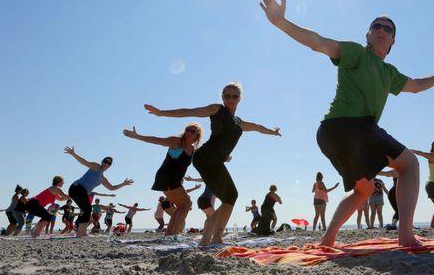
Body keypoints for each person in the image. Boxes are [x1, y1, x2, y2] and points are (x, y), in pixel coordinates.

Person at [259, 0, 434, 246]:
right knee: (410, 164)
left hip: (330, 135)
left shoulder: (389, 73)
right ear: (368, 34)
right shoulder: (357, 53)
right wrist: (280, 22)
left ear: (392, 42)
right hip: (350, 126)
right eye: (376, 26)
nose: (381, 29)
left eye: (388, 29)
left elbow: (415, 85)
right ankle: (405, 236)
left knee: (364, 190)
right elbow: (318, 42)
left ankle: (327, 240)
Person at [144, 82, 281, 246]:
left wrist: (272, 132)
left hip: (213, 160)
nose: (230, 99)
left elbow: (258, 127)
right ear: (222, 97)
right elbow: (190, 112)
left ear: (240, 99)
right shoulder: (217, 109)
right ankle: (213, 237)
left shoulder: (239, 122)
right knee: (231, 196)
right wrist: (162, 113)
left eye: (234, 96)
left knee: (230, 197)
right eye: (227, 96)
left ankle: (210, 238)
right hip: (206, 157)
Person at [122, 123, 203, 236]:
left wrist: (222, 158)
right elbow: (156, 140)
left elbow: (206, 156)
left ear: (197, 135)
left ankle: (170, 234)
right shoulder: (177, 141)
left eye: (192, 131)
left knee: (182, 206)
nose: (189, 132)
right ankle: (175, 234)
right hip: (167, 176)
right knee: (186, 204)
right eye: (188, 129)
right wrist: (138, 136)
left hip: (175, 179)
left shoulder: (193, 150)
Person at [65, 146, 133, 237]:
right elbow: (84, 162)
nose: (107, 163)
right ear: (102, 162)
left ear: (110, 166)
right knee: (87, 209)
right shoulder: (96, 167)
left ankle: (80, 232)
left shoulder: (102, 178)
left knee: (86, 210)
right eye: (105, 161)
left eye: (109, 163)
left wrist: (123, 184)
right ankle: (81, 233)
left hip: (78, 191)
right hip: (76, 188)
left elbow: (111, 188)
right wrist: (73, 154)